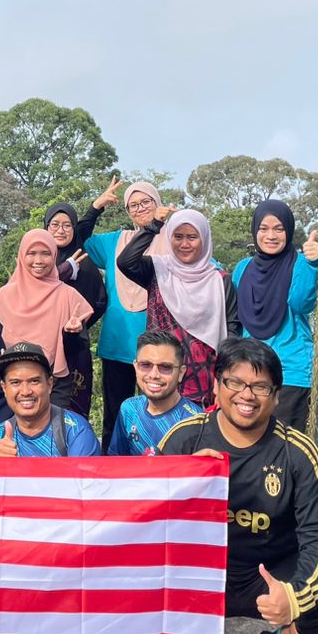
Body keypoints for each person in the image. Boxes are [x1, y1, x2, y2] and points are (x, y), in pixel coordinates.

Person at [160, 338, 318, 634]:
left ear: (277, 395)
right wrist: (182, 481)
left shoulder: (297, 452)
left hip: (266, 579)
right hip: (198, 578)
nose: (246, 395)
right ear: (216, 384)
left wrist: (296, 597)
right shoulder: (184, 438)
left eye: (260, 386)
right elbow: (144, 521)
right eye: (235, 381)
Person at [76, 176, 174, 447]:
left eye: (146, 202)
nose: (140, 208)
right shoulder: (116, 241)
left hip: (159, 349)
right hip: (118, 343)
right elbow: (78, 238)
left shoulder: (174, 240)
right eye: (133, 205)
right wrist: (96, 207)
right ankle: (113, 471)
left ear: (158, 203)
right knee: (115, 417)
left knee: (160, 416)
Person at [116, 208, 240, 405]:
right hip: (160, 373)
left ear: (205, 240)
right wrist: (154, 225)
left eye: (192, 237)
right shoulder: (157, 269)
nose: (184, 244)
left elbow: (232, 328)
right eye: (178, 236)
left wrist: (225, 375)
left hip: (203, 380)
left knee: (197, 433)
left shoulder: (220, 280)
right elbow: (125, 261)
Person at [232, 200, 318, 428]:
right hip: (250, 373)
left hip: (290, 372)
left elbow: (302, 305)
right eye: (264, 228)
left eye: (279, 229)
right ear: (255, 231)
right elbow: (236, 320)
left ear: (288, 231)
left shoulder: (300, 264)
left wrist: (312, 264)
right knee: (249, 442)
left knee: (283, 447)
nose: (271, 235)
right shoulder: (243, 268)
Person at [0, 229, 93, 408]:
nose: (38, 261)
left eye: (45, 254)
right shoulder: (4, 297)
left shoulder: (68, 296)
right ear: (22, 256)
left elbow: (77, 352)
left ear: (54, 256)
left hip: (55, 386)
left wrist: (71, 334)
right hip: (11, 386)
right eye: (31, 253)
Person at [44, 203, 108, 416]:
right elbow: (32, 288)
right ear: (45, 228)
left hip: (76, 339)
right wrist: (64, 270)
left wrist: (81, 323)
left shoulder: (81, 257)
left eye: (67, 225)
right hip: (43, 339)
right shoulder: (37, 258)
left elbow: (98, 301)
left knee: (76, 401)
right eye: (54, 225)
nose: (61, 230)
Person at [0, 342, 101, 457]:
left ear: (49, 384)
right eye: (15, 382)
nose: (26, 391)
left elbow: (81, 474)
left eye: (34, 381)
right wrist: (0, 467)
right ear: (4, 388)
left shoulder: (75, 430)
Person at [107, 330, 203, 455]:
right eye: (145, 365)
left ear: (181, 373)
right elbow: (116, 462)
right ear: (136, 367)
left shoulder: (195, 421)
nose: (154, 375)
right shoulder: (129, 409)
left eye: (165, 367)